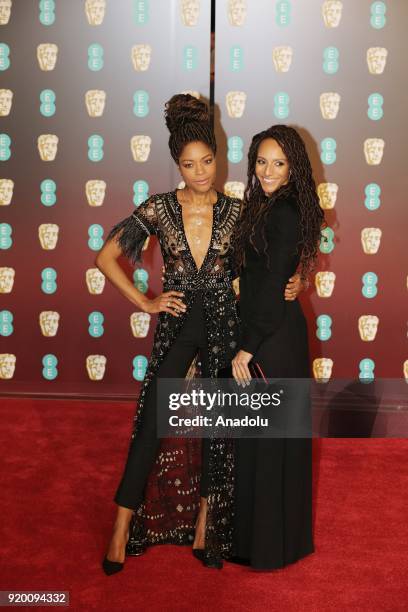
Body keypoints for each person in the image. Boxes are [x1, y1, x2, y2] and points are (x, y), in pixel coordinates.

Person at [96, 95, 303, 575]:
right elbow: (105, 258)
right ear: (177, 165)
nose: (200, 172)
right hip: (177, 327)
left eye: (207, 161)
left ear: (218, 158)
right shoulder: (159, 209)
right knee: (152, 422)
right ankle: (121, 526)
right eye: (189, 164)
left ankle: (206, 523)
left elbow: (270, 266)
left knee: (218, 427)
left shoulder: (239, 213)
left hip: (225, 327)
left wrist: (300, 281)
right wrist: (146, 302)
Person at [231, 125, 325, 570]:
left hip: (271, 339)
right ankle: (274, 542)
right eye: (262, 161)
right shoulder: (265, 204)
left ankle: (266, 547)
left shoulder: (283, 211)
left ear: (293, 169)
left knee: (267, 443)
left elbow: (272, 286)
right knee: (267, 441)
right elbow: (261, 271)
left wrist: (247, 348)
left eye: (278, 163)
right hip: (270, 331)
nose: (267, 170)